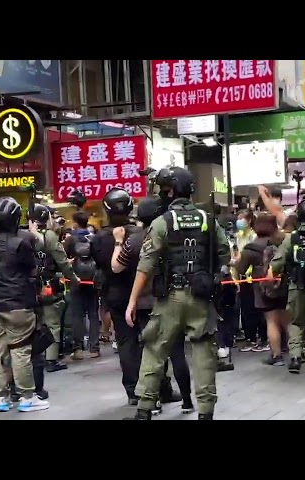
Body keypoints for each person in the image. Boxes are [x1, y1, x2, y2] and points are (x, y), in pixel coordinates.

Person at [125, 167, 231, 420]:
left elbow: (146, 264)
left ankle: (144, 411)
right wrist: (215, 278)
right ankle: (206, 412)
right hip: (202, 297)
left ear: (169, 191)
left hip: (170, 297)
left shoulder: (162, 222)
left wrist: (132, 301)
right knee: (204, 353)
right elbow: (225, 254)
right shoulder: (208, 220)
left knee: (154, 350)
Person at [111, 195, 193, 414]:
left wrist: (118, 242)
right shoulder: (174, 235)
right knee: (177, 352)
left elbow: (117, 267)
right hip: (170, 298)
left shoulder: (134, 240)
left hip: (145, 303)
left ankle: (152, 401)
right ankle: (187, 400)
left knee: (150, 352)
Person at [0, 197, 49, 412]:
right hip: (19, 303)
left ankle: (3, 399)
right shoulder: (22, 242)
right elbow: (33, 269)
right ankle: (27, 397)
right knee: (20, 350)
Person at [90, 188, 145, 404]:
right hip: (143, 293)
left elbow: (101, 265)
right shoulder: (142, 234)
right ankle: (159, 386)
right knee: (153, 342)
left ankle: (133, 391)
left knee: (126, 342)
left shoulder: (99, 238)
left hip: (116, 294)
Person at [269, 198, 305, 375]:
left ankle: (295, 358)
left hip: (296, 287)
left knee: (295, 323)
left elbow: (276, 263)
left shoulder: (291, 239)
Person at [28, 204, 79, 372]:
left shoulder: (22, 235)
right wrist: (73, 278)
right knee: (52, 323)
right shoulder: (49, 236)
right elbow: (62, 261)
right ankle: (51, 359)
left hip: (28, 286)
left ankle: (35, 357)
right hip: (48, 284)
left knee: (35, 323)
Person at [236, 214, 288, 366]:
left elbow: (241, 268)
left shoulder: (251, 247)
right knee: (287, 320)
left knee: (271, 321)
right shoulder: (282, 242)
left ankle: (276, 355)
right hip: (283, 283)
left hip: (263, 287)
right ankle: (296, 353)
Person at [64, 210, 99, 360]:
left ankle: (78, 349)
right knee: (93, 314)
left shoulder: (70, 240)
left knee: (77, 315)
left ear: (75, 223)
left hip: (76, 279)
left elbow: (64, 258)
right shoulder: (94, 238)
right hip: (93, 280)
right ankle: (94, 348)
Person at [234, 209, 268, 352]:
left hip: (254, 277)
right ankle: (251, 338)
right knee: (246, 309)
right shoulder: (239, 236)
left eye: (242, 218)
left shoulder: (255, 237)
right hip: (242, 278)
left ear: (249, 221)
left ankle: (262, 338)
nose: (239, 221)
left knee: (257, 309)